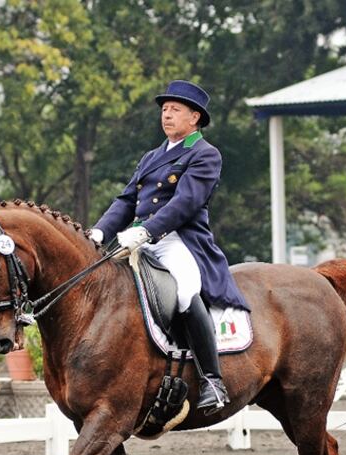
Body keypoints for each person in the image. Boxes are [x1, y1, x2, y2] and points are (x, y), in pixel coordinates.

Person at [90, 80, 249, 416]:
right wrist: (100, 232)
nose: (167, 114)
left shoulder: (205, 154)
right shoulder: (151, 156)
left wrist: (147, 230)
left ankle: (212, 380)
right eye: (164, 109)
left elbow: (186, 202)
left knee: (185, 292)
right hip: (136, 238)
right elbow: (126, 200)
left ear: (195, 117)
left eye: (175, 109)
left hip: (177, 240)